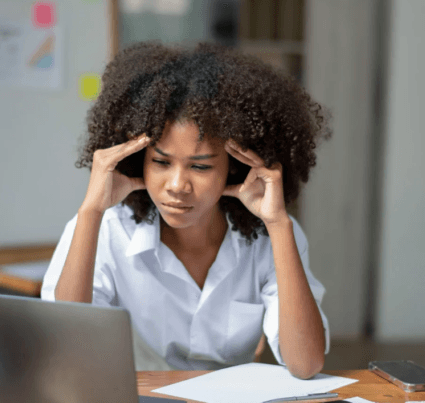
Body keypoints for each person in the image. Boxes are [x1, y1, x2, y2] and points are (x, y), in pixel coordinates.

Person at [41, 41, 332, 379]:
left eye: (201, 167)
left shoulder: (271, 236)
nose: (177, 184)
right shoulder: (109, 229)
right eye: (161, 162)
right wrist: (91, 210)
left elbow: (306, 364)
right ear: (139, 161)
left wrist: (279, 225)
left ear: (234, 168)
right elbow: (68, 348)